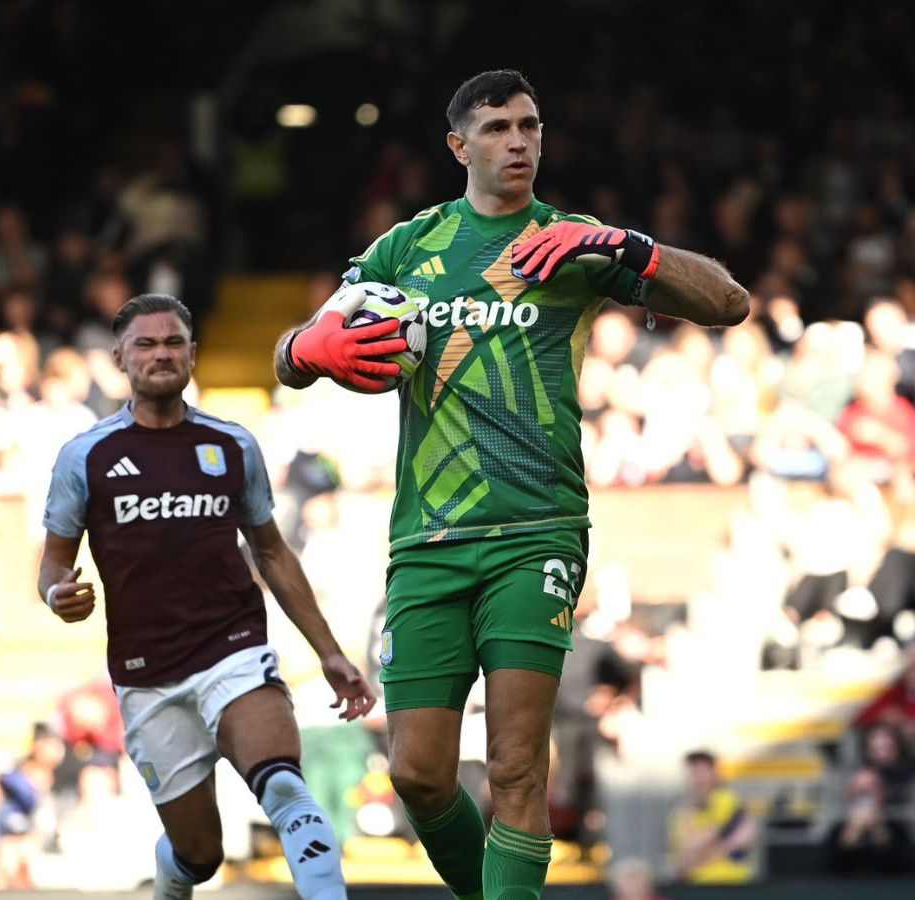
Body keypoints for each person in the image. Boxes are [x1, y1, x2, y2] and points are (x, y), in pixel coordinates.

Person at [272, 70, 747, 899]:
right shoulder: (406, 247)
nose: (519, 141)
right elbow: (295, 347)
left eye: (530, 125)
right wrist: (308, 354)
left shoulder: (575, 240)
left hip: (537, 532)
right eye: (497, 128)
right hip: (427, 537)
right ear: (459, 147)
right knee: (416, 772)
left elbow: (730, 303)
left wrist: (629, 248)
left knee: (516, 767)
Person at [40, 294, 375, 900]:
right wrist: (57, 593)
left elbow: (272, 551)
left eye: (173, 343)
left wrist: (329, 651)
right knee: (200, 855)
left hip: (234, 650)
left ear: (193, 354)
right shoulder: (85, 457)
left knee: (281, 785)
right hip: (147, 675)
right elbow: (53, 564)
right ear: (119, 357)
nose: (161, 354)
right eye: (146, 344)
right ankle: (175, 882)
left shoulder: (233, 446)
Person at [667, 751, 758, 884]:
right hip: (696, 883)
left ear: (714, 773)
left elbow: (705, 839)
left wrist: (699, 851)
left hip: (730, 882)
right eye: (693, 771)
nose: (698, 777)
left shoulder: (727, 801)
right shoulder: (681, 812)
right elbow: (683, 854)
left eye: (702, 771)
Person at [822, 768, 911, 877]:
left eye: (871, 788)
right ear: (848, 795)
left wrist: (879, 831)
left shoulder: (899, 830)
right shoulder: (835, 832)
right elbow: (827, 872)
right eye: (859, 790)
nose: (865, 795)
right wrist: (851, 834)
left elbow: (904, 869)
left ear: (883, 793)